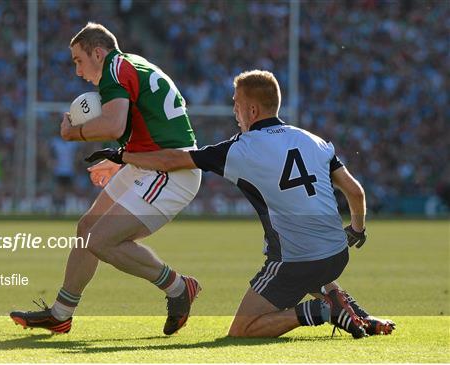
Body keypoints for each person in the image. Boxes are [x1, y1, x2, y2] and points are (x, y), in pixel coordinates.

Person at [86, 70, 395, 338]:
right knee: (312, 254)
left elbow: (172, 160)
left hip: (296, 260)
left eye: (235, 103)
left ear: (251, 109)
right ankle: (361, 317)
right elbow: (355, 193)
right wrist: (357, 229)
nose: (233, 111)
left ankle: (320, 311)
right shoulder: (313, 140)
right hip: (336, 255)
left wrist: (122, 156)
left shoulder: (242, 148)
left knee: (243, 329)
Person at [10, 22, 202, 335]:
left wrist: (74, 133)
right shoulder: (130, 64)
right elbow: (146, 123)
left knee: (101, 240)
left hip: (170, 170)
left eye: (78, 61)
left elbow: (113, 125)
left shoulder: (115, 68)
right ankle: (60, 313)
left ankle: (179, 287)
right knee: (87, 228)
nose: (77, 71)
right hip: (149, 163)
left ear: (98, 53)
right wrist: (122, 159)